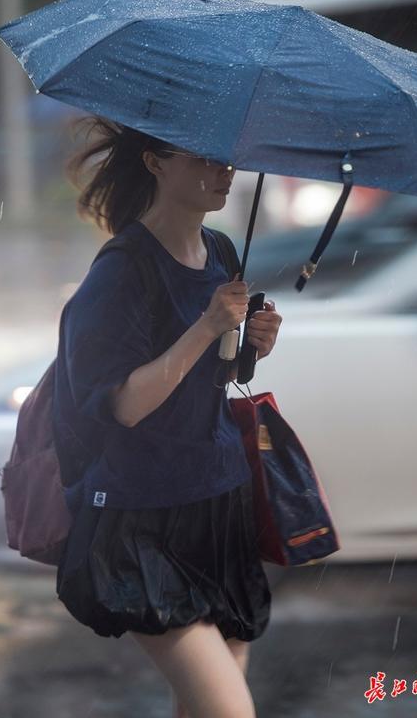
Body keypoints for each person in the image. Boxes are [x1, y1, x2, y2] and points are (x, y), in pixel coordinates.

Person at [53, 115, 282, 718]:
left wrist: (251, 342)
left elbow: (220, 376)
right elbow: (123, 406)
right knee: (230, 711)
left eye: (227, 158)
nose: (225, 171)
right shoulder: (123, 269)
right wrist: (206, 325)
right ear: (155, 161)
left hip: (217, 504)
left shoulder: (222, 251)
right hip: (142, 522)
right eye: (205, 157)